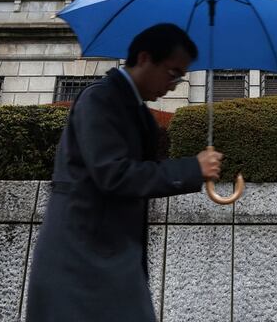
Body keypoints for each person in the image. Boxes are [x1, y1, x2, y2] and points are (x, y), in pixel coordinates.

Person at [25, 23, 223, 322]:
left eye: (180, 78)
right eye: (172, 74)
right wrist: (192, 168)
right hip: (80, 261)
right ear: (144, 58)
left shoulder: (137, 111)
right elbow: (114, 174)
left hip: (113, 260)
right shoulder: (99, 100)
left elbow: (145, 171)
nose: (173, 85)